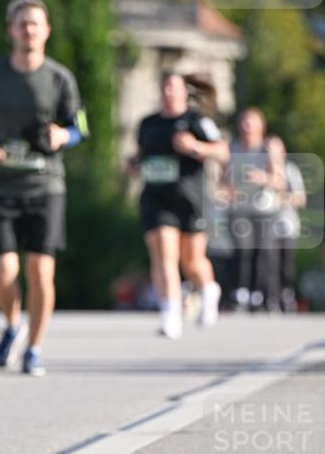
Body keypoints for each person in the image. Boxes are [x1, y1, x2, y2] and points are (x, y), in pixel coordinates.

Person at [0, 0, 85, 376]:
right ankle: (12, 324)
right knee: (3, 273)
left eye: (35, 23)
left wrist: (64, 136)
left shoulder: (60, 77)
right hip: (0, 187)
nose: (29, 30)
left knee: (40, 272)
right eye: (22, 24)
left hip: (45, 186)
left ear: (46, 30)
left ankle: (34, 348)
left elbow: (81, 126)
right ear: (11, 31)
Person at [129, 72, 229, 339]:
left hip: (190, 199)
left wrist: (195, 147)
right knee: (164, 255)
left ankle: (208, 289)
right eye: (165, 87)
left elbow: (222, 151)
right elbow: (140, 155)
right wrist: (134, 164)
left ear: (185, 92)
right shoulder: (148, 123)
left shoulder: (197, 121)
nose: (169, 92)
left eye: (174, 87)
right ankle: (170, 314)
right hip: (156, 198)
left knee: (192, 262)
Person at [226, 107, 285, 313]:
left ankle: (263, 295)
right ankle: (241, 293)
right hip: (239, 208)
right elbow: (223, 179)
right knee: (242, 251)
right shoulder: (232, 147)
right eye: (244, 121)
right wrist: (227, 190)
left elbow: (280, 181)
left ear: (261, 125)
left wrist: (263, 178)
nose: (247, 126)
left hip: (264, 209)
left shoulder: (268, 148)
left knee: (264, 253)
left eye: (251, 122)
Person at [266, 135, 307, 312]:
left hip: (286, 224)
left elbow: (301, 198)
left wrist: (281, 199)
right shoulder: (261, 170)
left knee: (286, 264)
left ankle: (287, 295)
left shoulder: (290, 170)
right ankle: (271, 297)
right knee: (270, 263)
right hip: (265, 225)